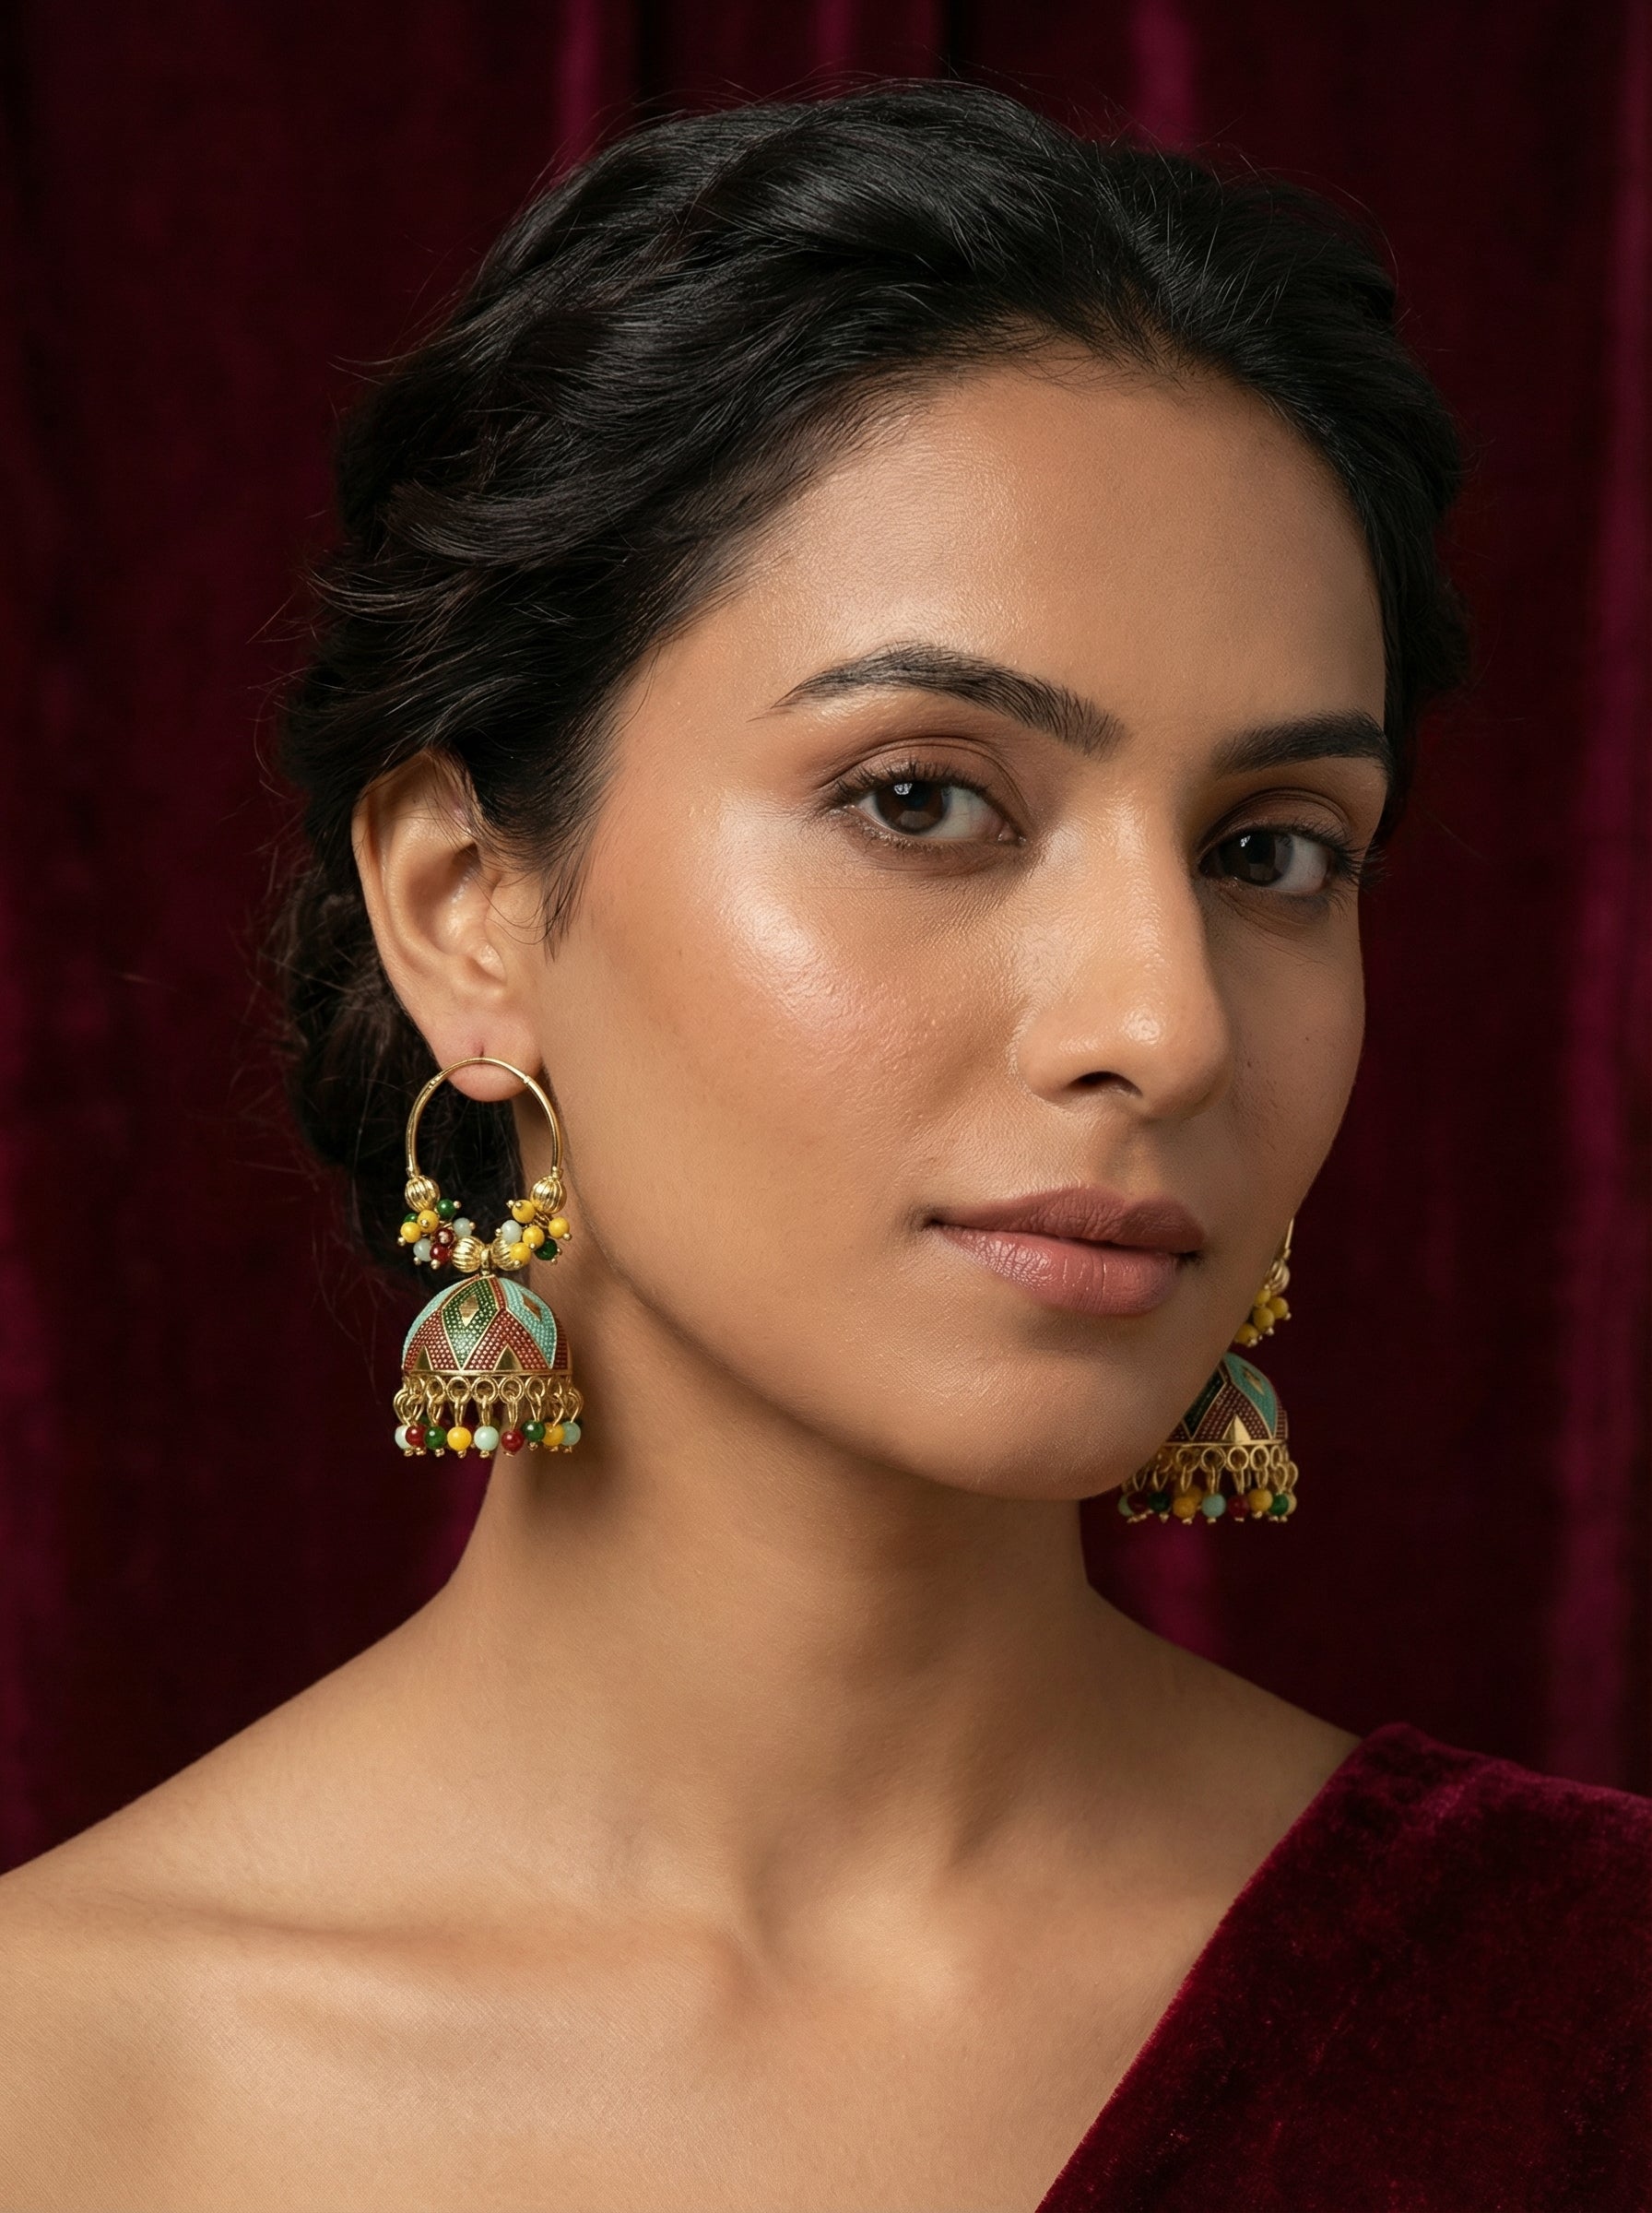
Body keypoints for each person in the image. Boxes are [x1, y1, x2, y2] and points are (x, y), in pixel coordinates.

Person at [0, 81, 1643, 2213]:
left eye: (1268, 850)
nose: (1163, 1022)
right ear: (463, 909)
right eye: (921, 799)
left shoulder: (1581, 2023)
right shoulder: (61, 2089)